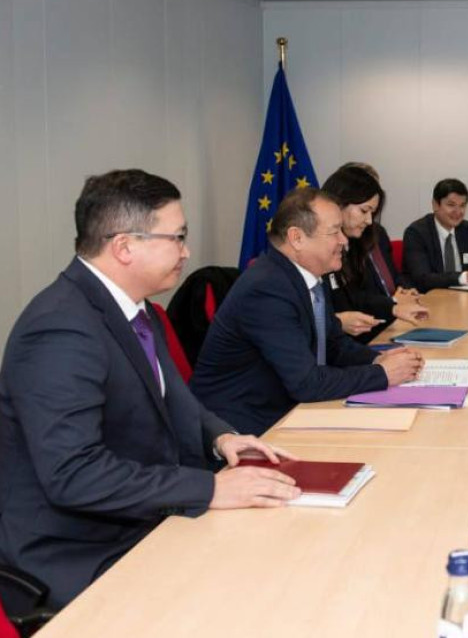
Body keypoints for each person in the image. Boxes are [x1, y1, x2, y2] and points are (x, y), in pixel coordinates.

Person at [0, 169, 300, 607]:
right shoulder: (60, 329)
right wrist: (210, 489)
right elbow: (74, 475)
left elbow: (174, 397)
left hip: (141, 518)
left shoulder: (133, 308)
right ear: (124, 246)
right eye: (176, 238)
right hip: (81, 552)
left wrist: (221, 438)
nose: (187, 251)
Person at [190, 188, 424, 437]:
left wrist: (377, 359)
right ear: (297, 238)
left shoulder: (310, 276)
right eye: (334, 232)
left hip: (287, 410)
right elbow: (306, 383)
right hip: (242, 428)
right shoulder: (267, 289)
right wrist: (382, 374)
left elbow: (334, 344)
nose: (344, 241)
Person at [322, 162, 428, 343]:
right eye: (364, 210)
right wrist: (393, 304)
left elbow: (354, 298)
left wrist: (395, 304)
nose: (369, 221)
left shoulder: (361, 239)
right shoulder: (320, 254)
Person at [402, 178, 468, 292]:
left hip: (465, 297)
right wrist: (466, 277)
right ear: (435, 205)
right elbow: (423, 279)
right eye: (451, 205)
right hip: (430, 298)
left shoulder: (467, 229)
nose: (458, 211)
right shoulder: (416, 233)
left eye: (462, 205)